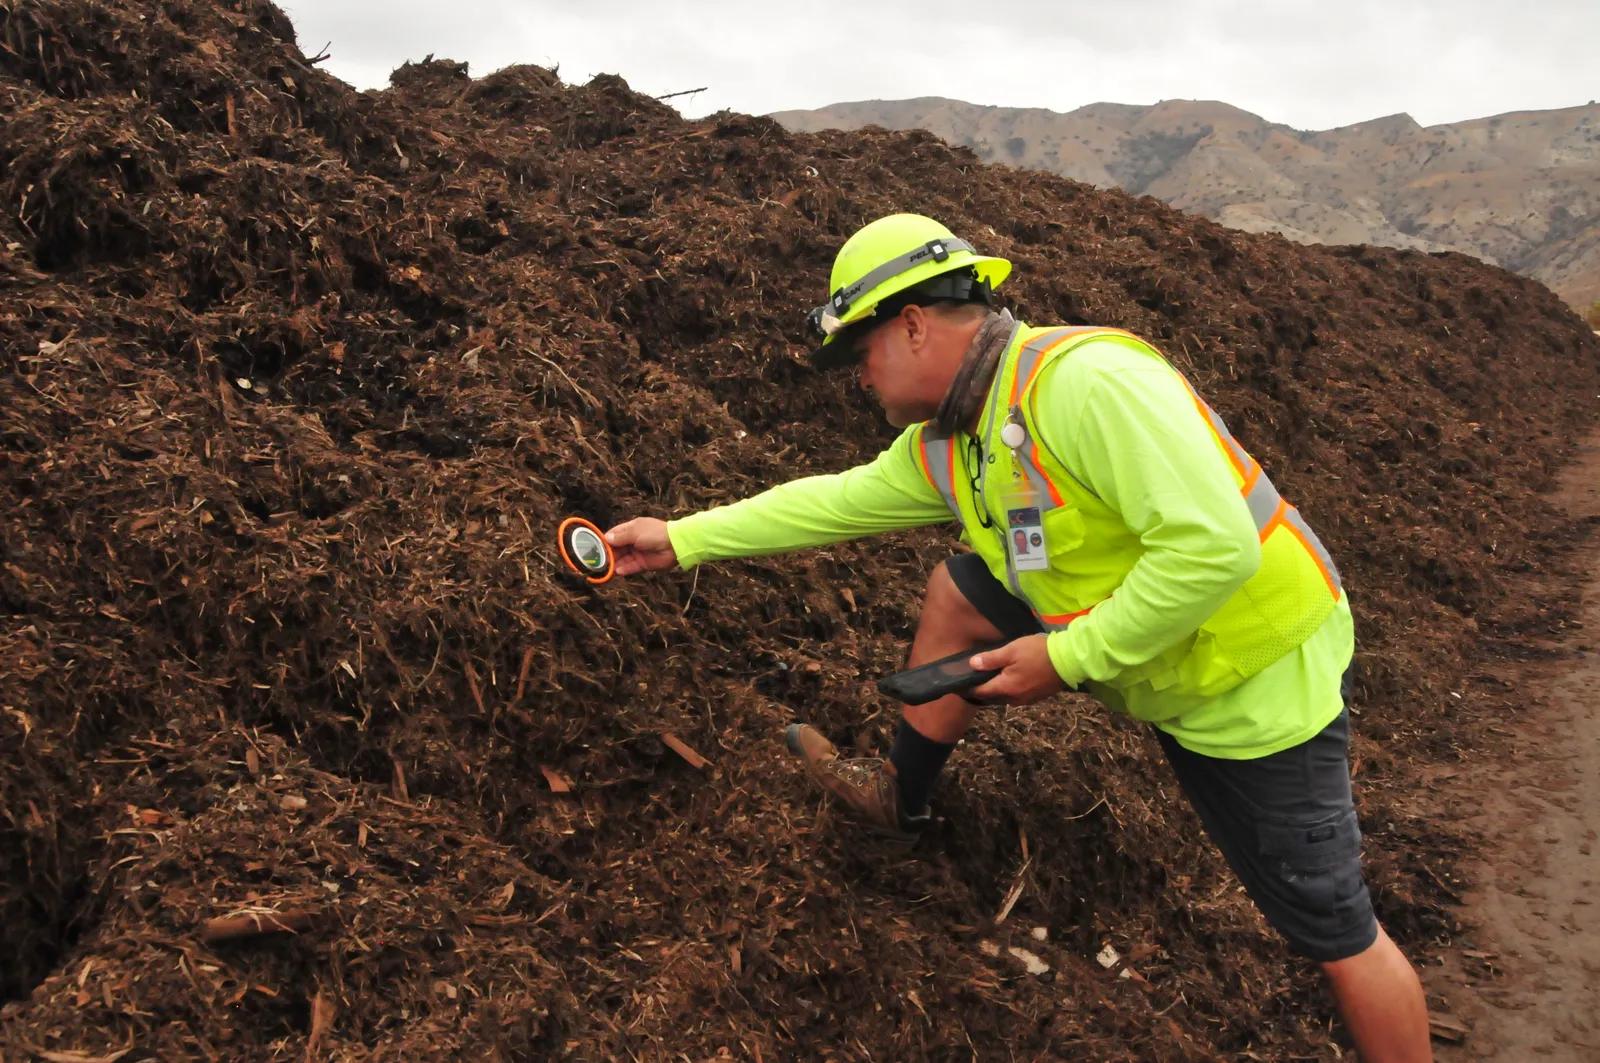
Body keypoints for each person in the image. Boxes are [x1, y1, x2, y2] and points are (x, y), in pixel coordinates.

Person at [605, 214, 1432, 1062]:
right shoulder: (957, 439)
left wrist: (1067, 657)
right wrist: (683, 538)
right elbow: (832, 501)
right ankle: (901, 792)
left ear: (915, 323)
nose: (859, 379)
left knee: (1334, 932)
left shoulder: (1086, 386)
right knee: (962, 589)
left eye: (861, 353)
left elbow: (1212, 546)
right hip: (1161, 650)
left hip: (1254, 683)